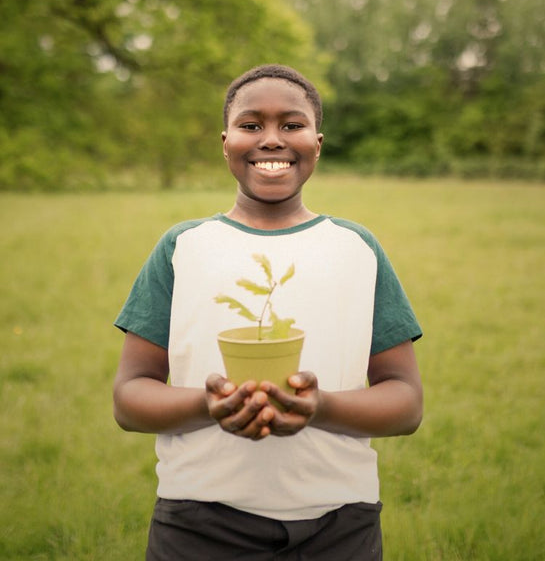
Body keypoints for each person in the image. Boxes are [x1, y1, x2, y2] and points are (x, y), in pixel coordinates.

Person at [113, 63, 423, 560]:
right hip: (198, 522)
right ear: (225, 141)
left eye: (292, 125)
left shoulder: (357, 248)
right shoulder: (183, 247)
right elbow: (129, 398)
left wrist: (322, 408)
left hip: (340, 523)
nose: (272, 140)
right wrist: (207, 406)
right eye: (251, 125)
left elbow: (406, 402)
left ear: (317, 142)